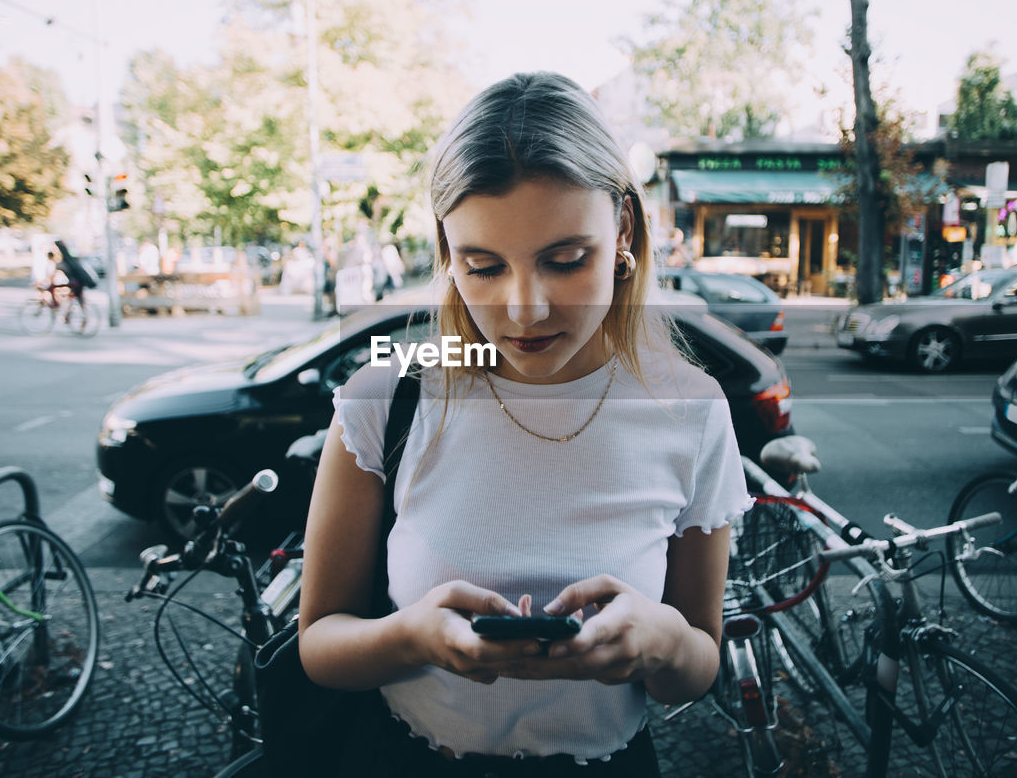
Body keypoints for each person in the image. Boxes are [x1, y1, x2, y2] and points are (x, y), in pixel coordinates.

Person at [298, 72, 751, 776]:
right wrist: (412, 638)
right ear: (447, 253)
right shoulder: (385, 399)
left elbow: (699, 665)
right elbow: (318, 643)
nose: (523, 309)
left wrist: (660, 641)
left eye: (565, 260)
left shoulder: (691, 410)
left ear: (624, 229)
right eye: (482, 267)